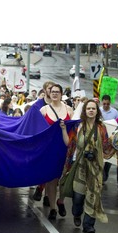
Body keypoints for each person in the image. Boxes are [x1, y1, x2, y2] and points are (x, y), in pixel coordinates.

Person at [59, 99, 118, 233]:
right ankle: (77, 213)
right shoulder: (78, 127)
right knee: (78, 198)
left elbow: (106, 147)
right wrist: (64, 130)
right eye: (88, 108)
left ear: (97, 111)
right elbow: (70, 145)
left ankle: (88, 225)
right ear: (84, 111)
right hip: (80, 167)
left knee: (92, 196)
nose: (91, 110)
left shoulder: (101, 128)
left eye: (93, 108)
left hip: (95, 168)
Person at [40, 83, 74, 220]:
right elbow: (38, 129)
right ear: (49, 93)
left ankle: (61, 200)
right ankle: (53, 208)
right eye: (52, 92)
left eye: (57, 92)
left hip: (66, 148)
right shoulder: (43, 110)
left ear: (61, 94)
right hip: (50, 149)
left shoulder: (69, 110)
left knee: (64, 178)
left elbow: (74, 130)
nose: (54, 94)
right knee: (51, 179)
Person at [99, 94, 118, 184]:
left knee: (109, 158)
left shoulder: (114, 112)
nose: (106, 105)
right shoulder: (98, 110)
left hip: (110, 139)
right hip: (100, 137)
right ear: (102, 103)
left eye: (107, 104)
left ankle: (105, 173)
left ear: (110, 103)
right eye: (104, 104)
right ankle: (101, 176)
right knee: (100, 157)